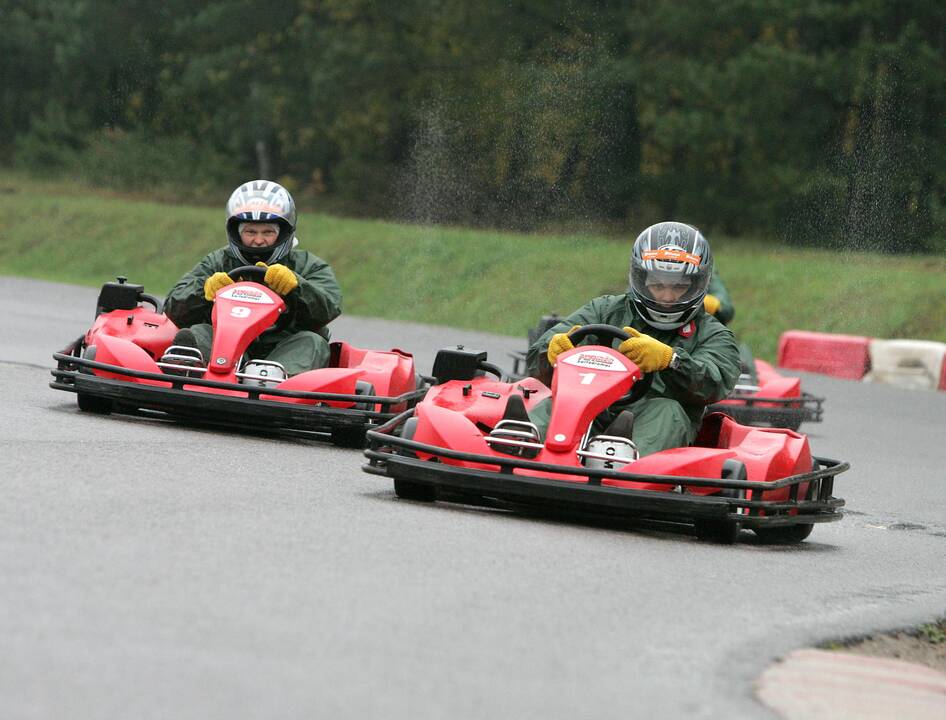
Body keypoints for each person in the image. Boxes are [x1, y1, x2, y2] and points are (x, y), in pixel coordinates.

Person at [525, 221, 740, 457]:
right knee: (552, 403)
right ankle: (523, 451)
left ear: (698, 284)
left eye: (679, 287)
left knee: (667, 410)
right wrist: (552, 352)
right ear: (641, 278)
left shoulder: (712, 333)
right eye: (658, 285)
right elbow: (539, 359)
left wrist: (672, 360)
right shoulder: (605, 310)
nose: (667, 297)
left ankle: (622, 468)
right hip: (590, 406)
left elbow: (716, 382)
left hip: (655, 420)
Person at [162, 179, 342, 378]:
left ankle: (272, 383)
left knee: (312, 342)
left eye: (267, 232)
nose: (258, 240)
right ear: (236, 232)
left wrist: (296, 287)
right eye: (250, 232)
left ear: (283, 232)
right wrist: (204, 291)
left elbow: (330, 306)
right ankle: (188, 370)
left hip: (285, 347)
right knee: (199, 332)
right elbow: (173, 307)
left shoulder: (309, 265)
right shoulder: (217, 262)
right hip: (227, 345)